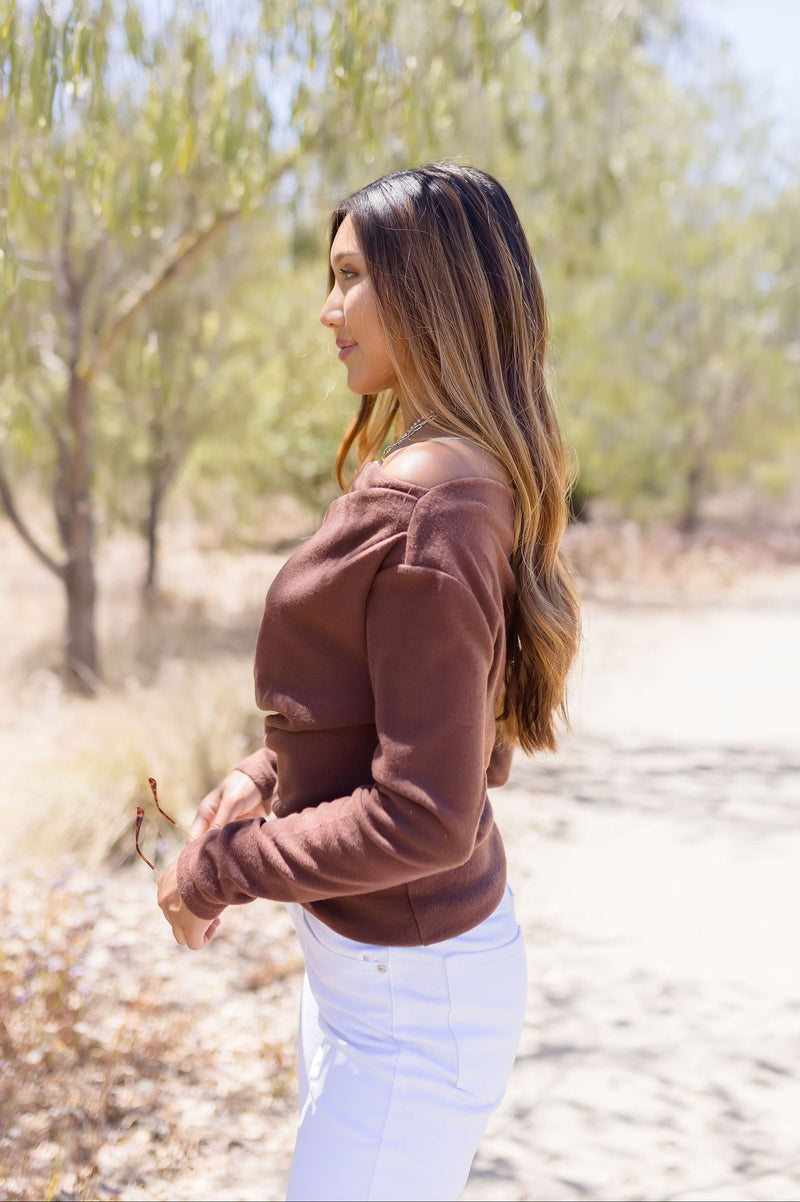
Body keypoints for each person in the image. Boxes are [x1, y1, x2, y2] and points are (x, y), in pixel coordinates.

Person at [157, 163, 581, 1201]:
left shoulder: (434, 507)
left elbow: (429, 812)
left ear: (427, 290)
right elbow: (389, 715)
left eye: (349, 277)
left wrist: (217, 869)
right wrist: (269, 774)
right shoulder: (457, 475)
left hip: (408, 1001)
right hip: (375, 977)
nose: (325, 309)